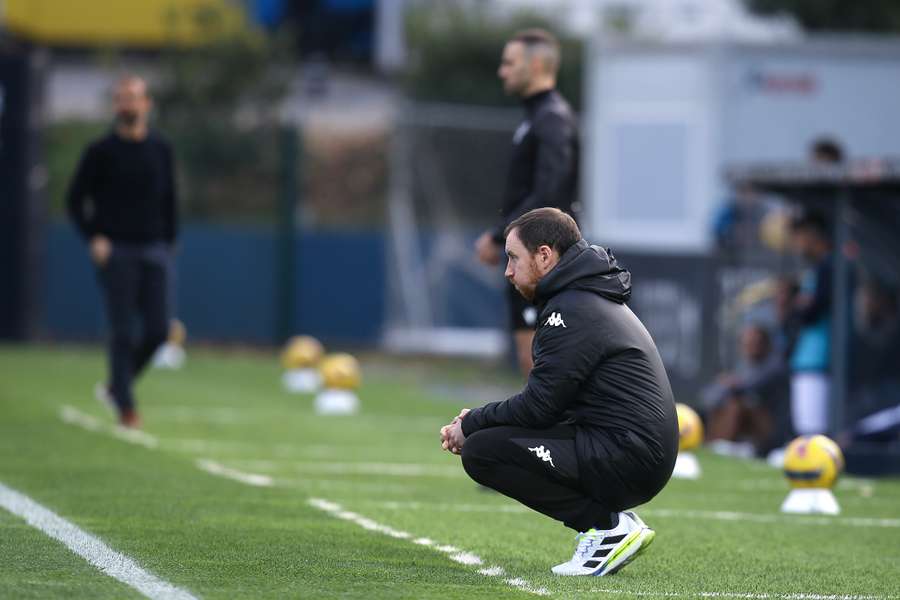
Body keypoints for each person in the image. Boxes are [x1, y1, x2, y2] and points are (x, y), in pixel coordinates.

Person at [443, 208, 677, 577]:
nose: (507, 271)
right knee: (490, 437)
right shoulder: (581, 298)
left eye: (513, 257)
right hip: (630, 449)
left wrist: (472, 421)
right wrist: (479, 420)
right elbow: (551, 404)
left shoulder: (571, 308)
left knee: (483, 450)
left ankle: (606, 527)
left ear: (544, 255)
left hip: (628, 456)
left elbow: (539, 407)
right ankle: (610, 524)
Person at [67, 75, 178, 428]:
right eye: (122, 98)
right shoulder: (100, 151)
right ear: (116, 105)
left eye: (133, 97)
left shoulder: (161, 149)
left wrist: (170, 240)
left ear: (147, 104)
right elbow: (74, 200)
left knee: (159, 331)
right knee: (122, 330)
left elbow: (170, 198)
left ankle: (118, 385)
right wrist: (94, 237)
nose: (127, 104)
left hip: (154, 249)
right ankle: (126, 408)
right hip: (117, 250)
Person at [474, 28, 580, 377]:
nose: (502, 71)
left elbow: (551, 192)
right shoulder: (537, 118)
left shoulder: (552, 118)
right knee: (532, 365)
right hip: (531, 257)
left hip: (546, 262)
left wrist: (498, 235)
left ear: (535, 65)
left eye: (509, 63)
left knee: (543, 369)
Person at [703, 324, 787, 457]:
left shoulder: (774, 366)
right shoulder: (745, 365)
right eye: (745, 343)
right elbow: (711, 397)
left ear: (764, 344)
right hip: (750, 425)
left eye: (753, 342)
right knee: (723, 404)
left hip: (773, 428)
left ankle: (720, 443)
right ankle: (712, 443)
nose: (749, 347)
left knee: (736, 405)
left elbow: (748, 386)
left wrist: (731, 383)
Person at [786, 212, 832, 436]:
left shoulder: (830, 266)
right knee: (806, 428)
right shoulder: (816, 268)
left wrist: (800, 306)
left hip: (819, 360)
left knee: (812, 433)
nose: (797, 244)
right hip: (807, 359)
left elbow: (810, 310)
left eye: (799, 237)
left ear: (813, 235)